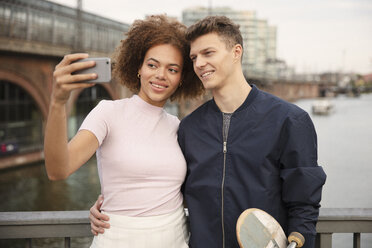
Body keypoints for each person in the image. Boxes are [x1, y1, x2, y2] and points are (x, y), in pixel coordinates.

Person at [90, 16, 326, 248]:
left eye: (208, 53)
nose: (199, 63)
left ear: (236, 52)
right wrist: (110, 205)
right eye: (194, 57)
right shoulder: (189, 128)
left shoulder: (290, 120)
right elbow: (166, 188)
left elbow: (304, 204)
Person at [44, 15, 203, 248]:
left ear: (181, 78)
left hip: (175, 239)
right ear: (138, 67)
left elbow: (190, 193)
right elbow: (58, 170)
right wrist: (58, 102)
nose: (161, 75)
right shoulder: (108, 113)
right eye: (152, 65)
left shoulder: (179, 127)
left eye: (172, 69)